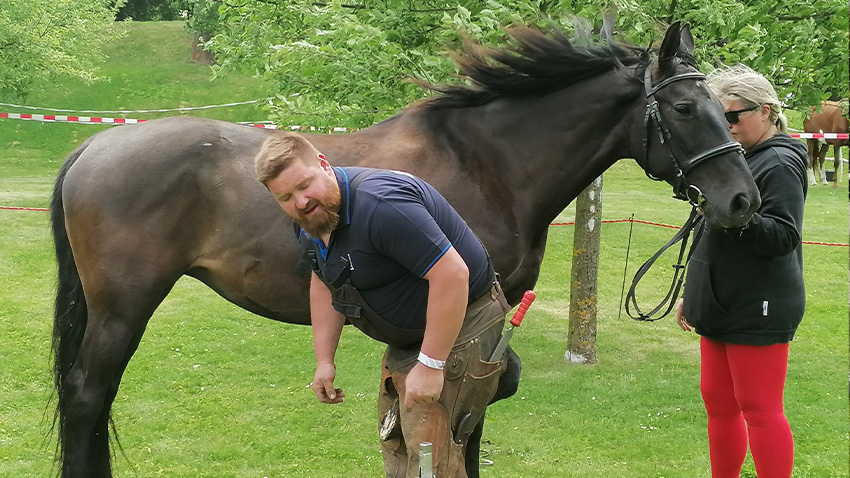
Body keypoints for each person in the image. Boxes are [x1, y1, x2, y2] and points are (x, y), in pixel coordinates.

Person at [254, 132, 515, 478]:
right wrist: (324, 360)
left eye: (304, 186)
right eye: (285, 197)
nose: (300, 202)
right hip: (409, 342)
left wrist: (432, 364)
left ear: (323, 164)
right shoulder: (311, 221)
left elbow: (452, 276)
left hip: (466, 323)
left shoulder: (382, 206)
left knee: (430, 461)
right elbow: (324, 280)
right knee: (400, 447)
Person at [675, 64, 808, 478]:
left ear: (766, 111)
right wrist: (693, 294)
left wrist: (736, 218)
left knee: (760, 409)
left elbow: (782, 236)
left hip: (758, 303)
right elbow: (710, 236)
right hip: (719, 300)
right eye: (719, 116)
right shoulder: (738, 159)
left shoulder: (780, 164)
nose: (726, 125)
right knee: (718, 403)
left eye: (733, 116)